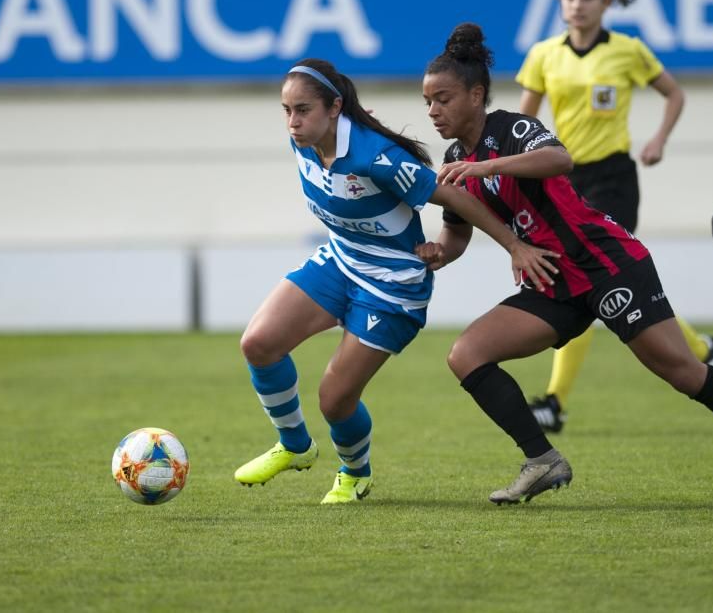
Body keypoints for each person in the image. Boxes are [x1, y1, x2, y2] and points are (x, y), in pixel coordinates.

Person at [418, 22, 713, 505]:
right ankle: (542, 460)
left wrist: (487, 166)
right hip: (553, 280)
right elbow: (455, 236)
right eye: (427, 101)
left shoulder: (509, 129)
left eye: (443, 98)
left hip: (606, 263)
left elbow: (559, 159)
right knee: (465, 355)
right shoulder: (454, 160)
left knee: (684, 373)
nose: (433, 110)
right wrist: (433, 256)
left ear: (476, 95)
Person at [233, 58, 559, 504]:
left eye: (303, 110)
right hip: (340, 263)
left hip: (392, 288)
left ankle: (355, 472)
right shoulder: (304, 142)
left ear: (334, 108)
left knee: (334, 399)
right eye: (286, 110)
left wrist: (513, 246)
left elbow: (454, 196)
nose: (293, 122)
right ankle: (295, 446)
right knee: (258, 343)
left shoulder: (376, 158)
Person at [515, 0, 713, 434]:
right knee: (595, 282)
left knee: (588, 281)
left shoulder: (628, 51)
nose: (578, 5)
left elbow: (674, 94)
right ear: (560, 1)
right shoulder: (544, 55)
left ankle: (552, 402)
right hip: (562, 180)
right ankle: (702, 350)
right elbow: (521, 125)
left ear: (606, 2)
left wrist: (658, 140)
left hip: (613, 179)